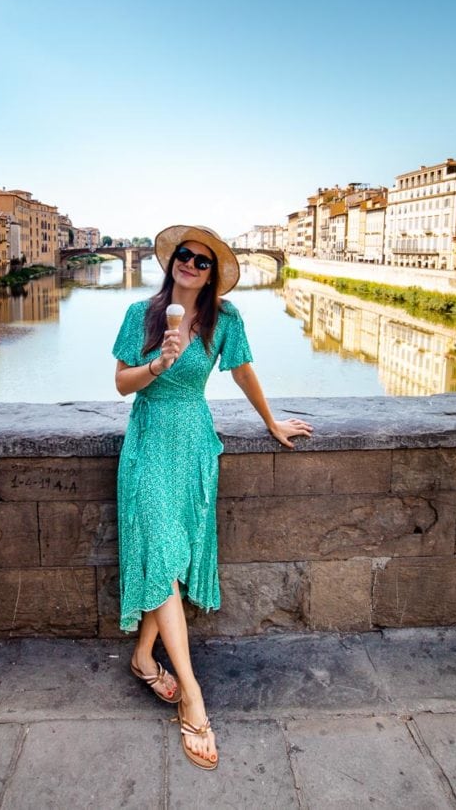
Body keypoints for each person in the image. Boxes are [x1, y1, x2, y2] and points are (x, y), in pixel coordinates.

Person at [112, 224, 313, 770]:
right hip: (150, 442)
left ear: (215, 274)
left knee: (171, 559)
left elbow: (243, 370)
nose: (192, 266)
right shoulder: (141, 315)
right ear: (171, 261)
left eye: (203, 262)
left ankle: (140, 659)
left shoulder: (227, 320)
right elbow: (121, 384)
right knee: (161, 554)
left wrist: (271, 421)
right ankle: (194, 699)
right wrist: (159, 363)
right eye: (185, 256)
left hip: (195, 445)